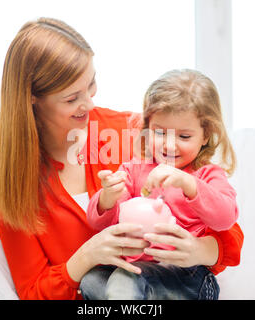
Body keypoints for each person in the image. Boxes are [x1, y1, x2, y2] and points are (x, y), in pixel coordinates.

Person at [0, 17, 244, 300]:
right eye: (72, 98)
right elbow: (34, 291)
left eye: (91, 84)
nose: (89, 103)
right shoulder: (8, 174)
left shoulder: (133, 132)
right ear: (32, 98)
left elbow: (227, 229)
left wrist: (199, 250)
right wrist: (85, 256)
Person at [82, 69, 239, 300]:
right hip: (138, 272)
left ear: (206, 135)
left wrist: (189, 184)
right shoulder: (134, 170)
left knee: (125, 282)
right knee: (92, 281)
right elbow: (97, 222)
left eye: (184, 137)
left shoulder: (207, 175)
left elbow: (226, 217)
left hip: (189, 277)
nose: (169, 146)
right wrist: (107, 198)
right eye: (160, 133)